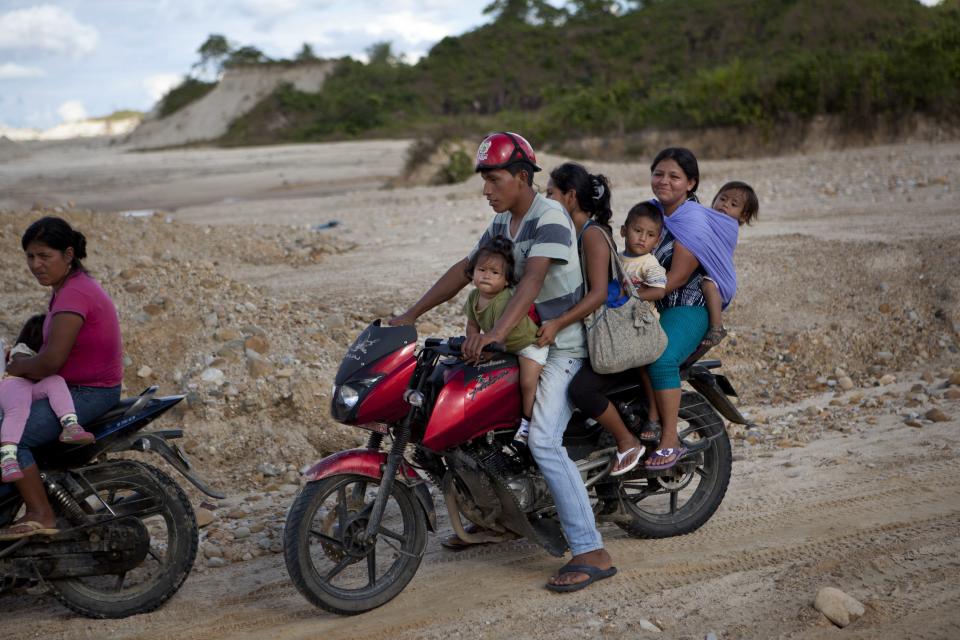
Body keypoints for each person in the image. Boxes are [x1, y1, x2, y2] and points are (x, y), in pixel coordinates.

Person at [390, 133, 616, 592]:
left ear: (520, 177)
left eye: (494, 180)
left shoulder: (548, 216)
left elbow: (532, 280)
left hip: (561, 346)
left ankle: (591, 548)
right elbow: (464, 269)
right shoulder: (503, 225)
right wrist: (409, 315)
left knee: (546, 442)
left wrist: (495, 334)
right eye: (484, 182)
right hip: (520, 343)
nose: (487, 190)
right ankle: (495, 512)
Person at [0, 217, 123, 540]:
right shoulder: (67, 287)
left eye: (44, 256)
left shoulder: (73, 295)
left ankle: (41, 513)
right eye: (30, 256)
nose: (36, 265)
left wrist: (17, 366)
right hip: (72, 386)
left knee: (13, 437)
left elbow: (50, 362)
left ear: (68, 254)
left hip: (89, 392)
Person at [546, 164, 662, 477]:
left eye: (550, 194)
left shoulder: (592, 235)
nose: (545, 201)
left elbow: (598, 294)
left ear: (570, 197)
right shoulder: (571, 232)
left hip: (611, 333)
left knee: (581, 391)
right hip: (587, 330)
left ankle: (627, 442)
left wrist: (558, 322)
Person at [642, 148, 738, 472]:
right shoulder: (653, 212)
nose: (664, 181)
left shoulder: (692, 219)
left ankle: (669, 440)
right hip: (656, 303)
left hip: (689, 304)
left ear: (690, 183)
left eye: (674, 176)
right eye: (659, 174)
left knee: (661, 357)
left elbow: (676, 279)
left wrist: (632, 293)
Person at [463, 236, 549, 447]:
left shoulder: (506, 298)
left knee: (528, 383)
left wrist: (487, 348)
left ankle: (528, 423)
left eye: (494, 273)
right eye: (482, 270)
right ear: (473, 271)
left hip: (528, 345)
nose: (486, 276)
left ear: (506, 280)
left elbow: (501, 331)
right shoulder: (474, 297)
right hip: (502, 346)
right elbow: (472, 325)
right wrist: (471, 342)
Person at [1, 314, 95, 482]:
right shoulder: (21, 348)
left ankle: (70, 425)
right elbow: (20, 366)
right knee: (19, 409)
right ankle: (7, 458)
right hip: (12, 385)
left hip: (30, 387)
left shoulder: (50, 355)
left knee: (56, 382)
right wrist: (43, 360)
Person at [699, 181, 760, 350]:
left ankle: (717, 327)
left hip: (721, 278)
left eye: (734, 204)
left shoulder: (728, 224)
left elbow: (695, 215)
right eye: (722, 199)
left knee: (708, 285)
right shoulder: (712, 219)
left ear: (743, 216)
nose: (725, 205)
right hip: (713, 271)